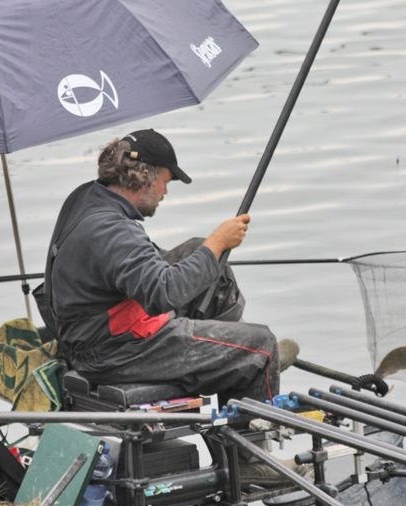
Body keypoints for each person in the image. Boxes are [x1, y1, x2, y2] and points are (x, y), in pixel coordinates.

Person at [35, 128, 288, 406]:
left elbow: (137, 266)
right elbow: (163, 294)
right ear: (145, 176)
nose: (165, 192)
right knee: (261, 345)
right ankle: (245, 366)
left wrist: (208, 250)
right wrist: (217, 242)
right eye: (166, 182)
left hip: (90, 330)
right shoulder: (113, 230)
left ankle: (225, 360)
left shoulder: (85, 196)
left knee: (202, 254)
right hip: (113, 351)